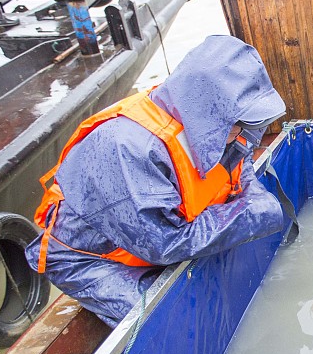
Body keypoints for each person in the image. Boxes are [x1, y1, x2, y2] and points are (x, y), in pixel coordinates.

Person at [27, 35, 289, 326]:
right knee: (173, 322)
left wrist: (251, 195)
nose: (244, 132)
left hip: (160, 236)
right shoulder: (127, 149)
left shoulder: (219, 128)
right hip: (94, 258)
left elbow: (240, 165)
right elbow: (163, 244)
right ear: (208, 112)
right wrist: (252, 213)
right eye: (239, 123)